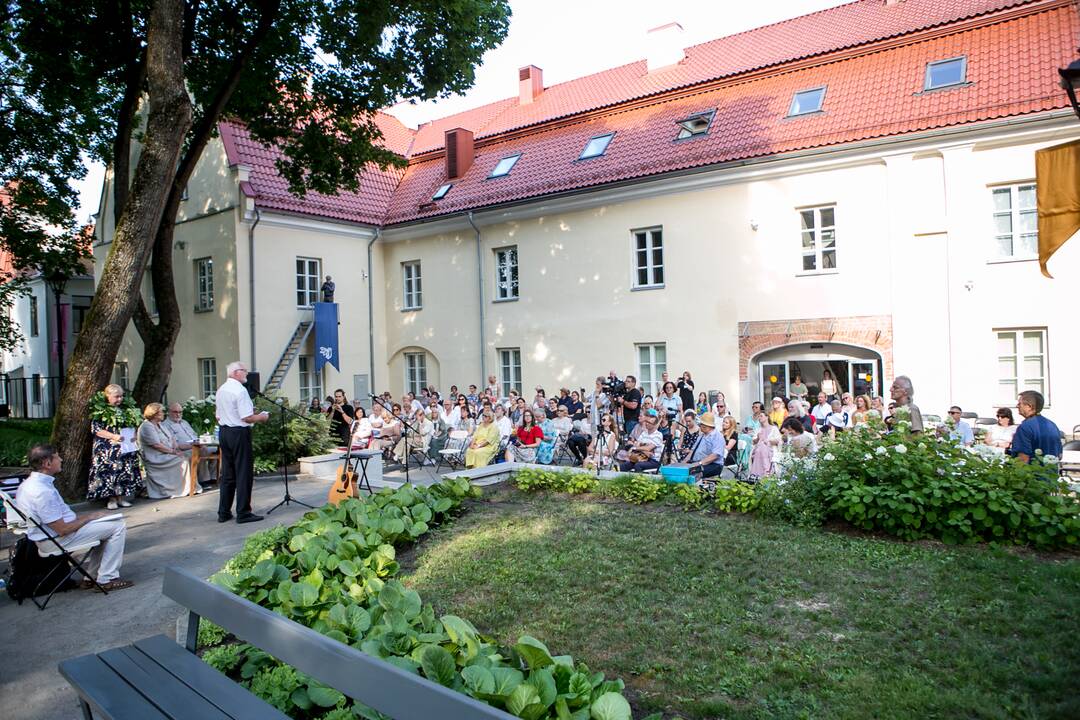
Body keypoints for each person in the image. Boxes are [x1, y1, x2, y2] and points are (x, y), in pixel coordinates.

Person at [16, 445, 133, 592]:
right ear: (47, 463)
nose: (61, 459)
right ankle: (106, 579)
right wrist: (91, 517)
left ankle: (91, 577)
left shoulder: (31, 484)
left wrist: (90, 519)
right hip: (54, 541)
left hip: (49, 537)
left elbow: (61, 520)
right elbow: (62, 529)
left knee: (109, 525)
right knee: (118, 526)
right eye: (57, 456)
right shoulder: (41, 491)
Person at [216, 362, 270, 523]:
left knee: (227, 473)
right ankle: (243, 512)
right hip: (239, 433)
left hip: (224, 432)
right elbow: (246, 417)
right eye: (244, 370)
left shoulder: (221, 389)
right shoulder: (240, 390)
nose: (246, 373)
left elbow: (218, 415)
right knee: (243, 472)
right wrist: (262, 416)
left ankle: (224, 512)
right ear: (235, 372)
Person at [88, 384, 144, 510]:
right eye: (116, 396)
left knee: (124, 471)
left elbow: (132, 424)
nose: (120, 399)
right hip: (108, 447)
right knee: (110, 471)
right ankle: (111, 499)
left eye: (121, 396)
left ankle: (121, 497)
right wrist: (113, 436)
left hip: (125, 445)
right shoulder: (100, 411)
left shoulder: (124, 410)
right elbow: (96, 429)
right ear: (107, 396)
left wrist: (133, 434)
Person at [137, 403, 191, 498]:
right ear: (154, 413)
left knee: (185, 456)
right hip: (156, 457)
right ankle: (178, 490)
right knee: (183, 460)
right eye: (161, 412)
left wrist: (175, 447)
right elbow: (156, 445)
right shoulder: (147, 426)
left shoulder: (160, 424)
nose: (163, 414)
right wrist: (174, 452)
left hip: (166, 453)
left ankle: (187, 487)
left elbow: (172, 438)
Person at [164, 403, 215, 488]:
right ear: (168, 412)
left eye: (180, 412)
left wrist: (202, 441)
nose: (178, 414)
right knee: (200, 451)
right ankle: (203, 480)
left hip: (196, 445)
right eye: (175, 412)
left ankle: (214, 477)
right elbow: (176, 445)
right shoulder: (166, 425)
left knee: (217, 449)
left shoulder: (184, 422)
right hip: (184, 450)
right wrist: (195, 445)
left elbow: (194, 436)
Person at [1008, 391, 1062, 464]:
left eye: (1019, 404)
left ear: (1029, 406)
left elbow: (1022, 459)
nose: (1017, 406)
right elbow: (1059, 455)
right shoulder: (1052, 425)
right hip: (1050, 474)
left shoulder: (1025, 427)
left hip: (1032, 474)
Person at [685, 412, 726, 478]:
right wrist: (684, 462)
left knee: (694, 473)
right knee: (682, 470)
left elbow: (715, 455)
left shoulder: (717, 437)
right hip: (698, 462)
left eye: (700, 424)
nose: (699, 426)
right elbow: (693, 451)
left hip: (713, 465)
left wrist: (699, 463)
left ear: (704, 426)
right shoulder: (702, 435)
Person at [750, 412, 780, 477]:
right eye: (759, 416)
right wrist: (758, 438)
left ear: (767, 417)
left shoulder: (774, 428)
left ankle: (765, 471)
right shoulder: (758, 429)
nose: (759, 418)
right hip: (758, 449)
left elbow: (778, 440)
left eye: (761, 416)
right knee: (760, 448)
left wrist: (768, 441)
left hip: (770, 449)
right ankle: (759, 473)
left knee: (762, 448)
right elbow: (753, 442)